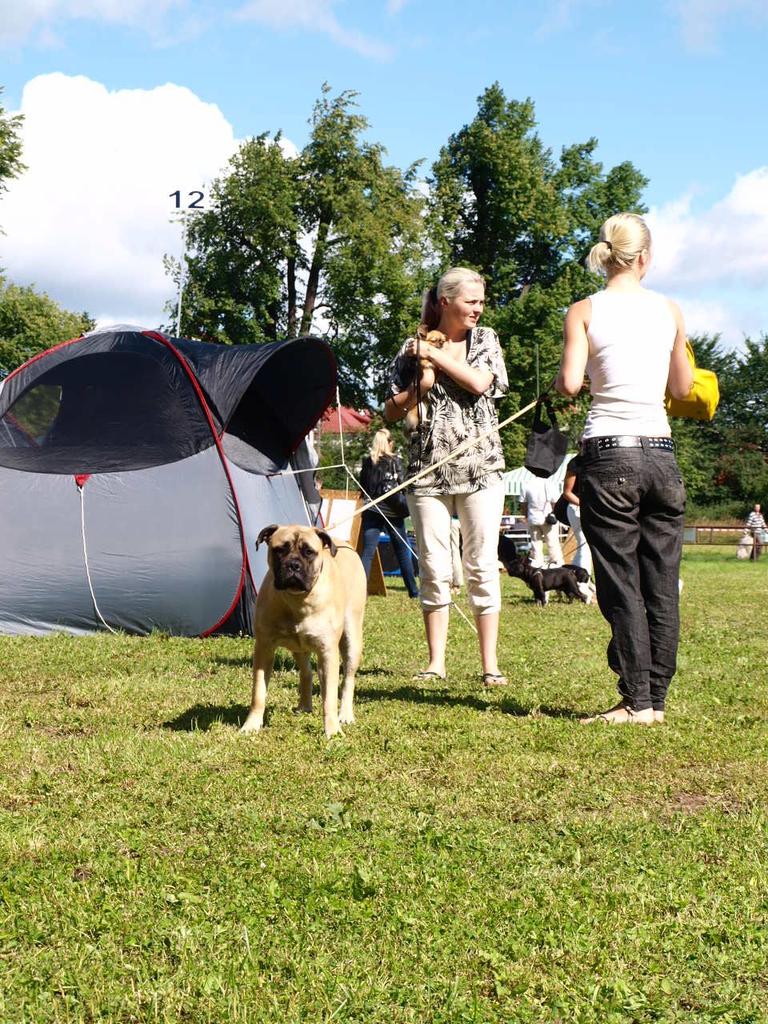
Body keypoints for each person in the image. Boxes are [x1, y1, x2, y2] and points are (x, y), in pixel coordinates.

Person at [556, 212, 693, 725]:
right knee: (662, 581)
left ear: (607, 256)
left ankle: (636, 700)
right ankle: (654, 700)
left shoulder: (583, 311)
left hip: (609, 451)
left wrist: (572, 379)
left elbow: (570, 384)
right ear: (644, 257)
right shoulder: (670, 310)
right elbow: (682, 388)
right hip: (661, 452)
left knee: (620, 582)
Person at [384, 267, 509, 686]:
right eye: (471, 301)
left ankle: (490, 664)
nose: (478, 308)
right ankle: (435, 662)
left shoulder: (485, 339)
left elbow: (480, 383)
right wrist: (420, 384)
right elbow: (389, 411)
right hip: (426, 471)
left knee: (481, 564)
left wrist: (434, 356)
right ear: (445, 302)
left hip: (481, 469)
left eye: (481, 301)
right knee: (434, 567)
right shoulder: (410, 348)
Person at [358, 428, 420, 599]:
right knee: (402, 551)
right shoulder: (394, 461)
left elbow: (363, 487)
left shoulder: (367, 462)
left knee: (368, 553)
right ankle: (413, 591)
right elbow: (402, 484)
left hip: (371, 510)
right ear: (389, 443)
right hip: (392, 512)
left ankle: (360, 592)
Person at [561, 453, 593, 576]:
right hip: (577, 508)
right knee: (584, 545)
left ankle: (572, 576)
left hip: (589, 509)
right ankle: (583, 581)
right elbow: (567, 493)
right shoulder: (575, 463)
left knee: (583, 546)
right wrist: (585, 506)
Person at [521, 475, 563, 568]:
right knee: (552, 542)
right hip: (548, 518)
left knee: (535, 543)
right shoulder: (550, 484)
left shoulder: (526, 484)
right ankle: (556, 563)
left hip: (532, 518)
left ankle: (537, 564)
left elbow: (523, 503)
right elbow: (555, 502)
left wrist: (526, 515)